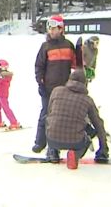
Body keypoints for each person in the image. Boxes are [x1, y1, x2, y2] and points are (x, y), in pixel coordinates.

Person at [45, 69, 109, 169]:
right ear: (85, 83)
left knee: (52, 121)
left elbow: (49, 113)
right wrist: (103, 150)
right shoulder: (87, 100)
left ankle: (53, 152)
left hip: (52, 138)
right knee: (86, 139)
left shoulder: (56, 91)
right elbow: (98, 124)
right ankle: (75, 155)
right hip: (75, 142)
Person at [33, 14, 76, 153]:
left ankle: (59, 144)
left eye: (54, 29)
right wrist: (40, 83)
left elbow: (76, 65)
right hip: (49, 88)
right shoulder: (45, 46)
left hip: (65, 88)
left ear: (61, 29)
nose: (51, 32)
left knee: (63, 116)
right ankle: (40, 142)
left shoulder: (68, 45)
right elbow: (39, 66)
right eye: (49, 29)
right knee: (46, 114)